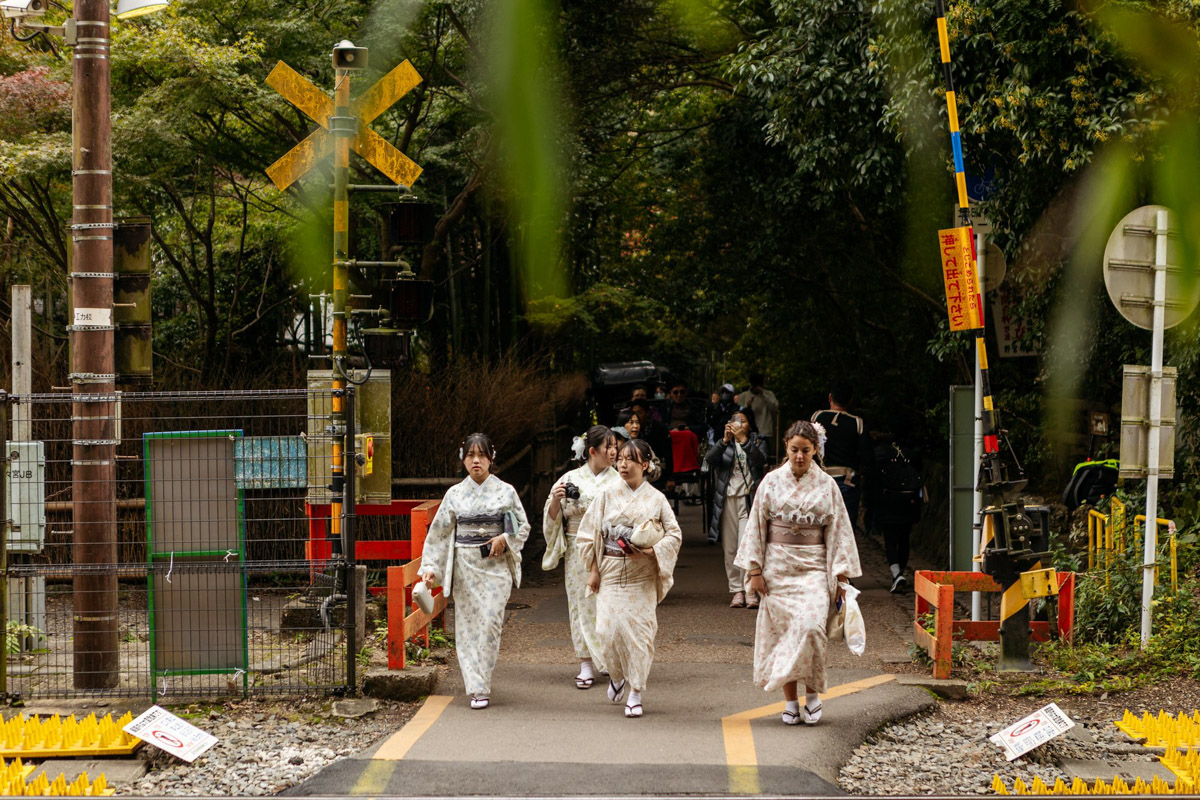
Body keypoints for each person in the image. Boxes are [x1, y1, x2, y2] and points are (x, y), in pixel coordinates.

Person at [735, 420, 861, 726]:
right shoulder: (770, 481)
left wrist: (841, 577)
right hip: (777, 570)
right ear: (786, 449)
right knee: (783, 636)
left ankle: (813, 694)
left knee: (810, 628)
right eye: (794, 450)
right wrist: (754, 570)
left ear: (816, 449)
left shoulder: (828, 486)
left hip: (813, 569)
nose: (800, 456)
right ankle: (790, 700)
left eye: (806, 450)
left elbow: (839, 531)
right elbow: (756, 525)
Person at [418, 433, 531, 710]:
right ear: (463, 459)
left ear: (491, 458)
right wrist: (430, 568)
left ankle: (483, 679)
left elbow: (523, 526)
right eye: (471, 455)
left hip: (495, 567)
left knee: (491, 622)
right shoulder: (455, 494)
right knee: (467, 627)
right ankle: (477, 687)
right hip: (465, 566)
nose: (476, 461)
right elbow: (440, 534)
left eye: (482, 455)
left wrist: (504, 539)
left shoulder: (506, 491)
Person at [578, 438, 683, 718]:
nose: (623, 464)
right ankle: (616, 675)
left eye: (630, 460)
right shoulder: (606, 495)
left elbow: (674, 534)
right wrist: (593, 569)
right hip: (611, 570)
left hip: (642, 575)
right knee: (607, 631)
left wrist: (651, 550)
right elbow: (588, 533)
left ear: (645, 465)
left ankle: (635, 691)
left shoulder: (657, 499)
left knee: (639, 635)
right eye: (620, 459)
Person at [542, 425, 623, 688]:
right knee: (580, 603)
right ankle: (586, 663)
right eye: (608, 447)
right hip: (578, 548)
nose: (614, 452)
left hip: (610, 548)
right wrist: (556, 500)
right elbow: (553, 518)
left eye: (615, 447)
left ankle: (611, 660)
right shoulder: (570, 478)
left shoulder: (619, 479)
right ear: (592, 451)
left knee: (610, 603)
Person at [706, 410, 768, 608]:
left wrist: (744, 441)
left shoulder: (758, 441)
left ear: (750, 424)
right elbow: (710, 460)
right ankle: (736, 591)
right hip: (727, 499)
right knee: (730, 547)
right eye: (734, 421)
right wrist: (723, 441)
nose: (738, 424)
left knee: (746, 545)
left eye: (742, 421)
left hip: (749, 499)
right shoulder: (725, 443)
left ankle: (750, 590)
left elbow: (761, 460)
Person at [865, 428, 924, 594]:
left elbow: (873, 477)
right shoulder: (912, 452)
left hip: (887, 499)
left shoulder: (880, 453)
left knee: (890, 538)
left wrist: (870, 503)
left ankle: (896, 573)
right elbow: (919, 471)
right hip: (908, 500)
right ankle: (900, 573)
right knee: (904, 537)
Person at [811, 382, 872, 530]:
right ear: (850, 400)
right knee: (845, 528)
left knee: (819, 526)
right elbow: (868, 458)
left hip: (820, 478)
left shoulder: (817, 417)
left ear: (830, 397)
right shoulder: (857, 423)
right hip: (847, 481)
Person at [737, 372, 780, 459]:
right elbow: (739, 414)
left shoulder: (769, 394)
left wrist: (763, 394)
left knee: (764, 457)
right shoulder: (744, 396)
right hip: (748, 432)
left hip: (765, 431)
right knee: (749, 456)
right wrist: (747, 406)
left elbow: (775, 408)